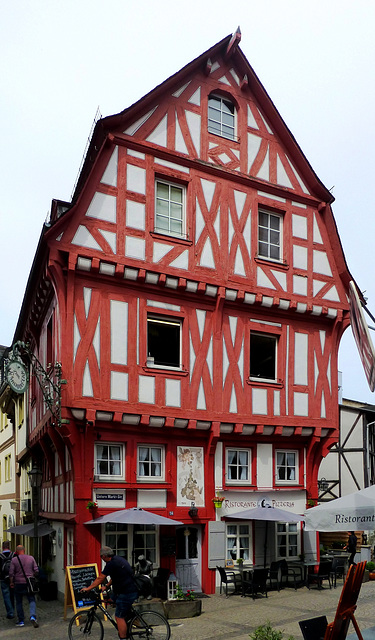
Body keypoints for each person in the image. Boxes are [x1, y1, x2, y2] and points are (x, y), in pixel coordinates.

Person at [81, 546, 138, 640]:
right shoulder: (118, 559)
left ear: (104, 556)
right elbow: (115, 576)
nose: (101, 558)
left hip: (126, 592)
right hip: (128, 589)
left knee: (118, 616)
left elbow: (100, 578)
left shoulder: (111, 564)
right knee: (113, 598)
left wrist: (88, 588)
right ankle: (129, 620)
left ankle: (123, 638)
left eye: (101, 556)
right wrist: (107, 586)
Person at [9, 545, 39, 628]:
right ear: (24, 550)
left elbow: (11, 573)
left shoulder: (14, 560)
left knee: (19, 602)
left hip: (18, 583)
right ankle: (33, 616)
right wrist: (32, 576)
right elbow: (36, 570)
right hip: (29, 583)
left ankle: (21, 620)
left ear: (16, 551)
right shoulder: (31, 558)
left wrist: (11, 582)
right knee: (32, 599)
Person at [0, 540, 15, 619]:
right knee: (12, 595)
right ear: (9, 546)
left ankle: (10, 612)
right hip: (13, 578)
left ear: (2, 547)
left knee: (6, 596)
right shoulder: (14, 555)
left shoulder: (0, 556)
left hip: (3, 578)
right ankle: (13, 609)